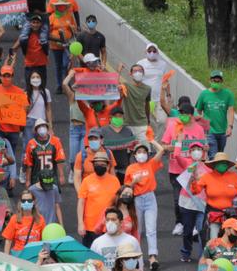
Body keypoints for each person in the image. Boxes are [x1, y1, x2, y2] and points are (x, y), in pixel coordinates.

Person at [161, 101, 207, 236]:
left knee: (195, 197)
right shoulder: (173, 127)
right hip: (176, 168)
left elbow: (202, 146)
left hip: (193, 169)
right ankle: (179, 222)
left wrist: (205, 150)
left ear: (191, 115)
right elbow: (163, 144)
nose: (182, 116)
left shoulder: (198, 129)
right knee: (177, 199)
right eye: (180, 114)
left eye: (185, 114)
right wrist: (170, 147)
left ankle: (193, 225)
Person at [190, 151, 237, 239]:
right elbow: (195, 191)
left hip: (231, 216)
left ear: (227, 165)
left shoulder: (234, 177)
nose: (222, 165)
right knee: (213, 240)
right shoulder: (207, 177)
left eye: (224, 163)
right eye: (219, 163)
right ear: (215, 165)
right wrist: (194, 181)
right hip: (213, 215)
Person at [124, 140, 165, 270]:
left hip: (150, 198)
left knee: (151, 229)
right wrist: (133, 182)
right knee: (137, 229)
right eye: (139, 152)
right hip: (137, 199)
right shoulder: (131, 168)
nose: (141, 154)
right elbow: (126, 187)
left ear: (147, 154)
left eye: (144, 152)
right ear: (135, 155)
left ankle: (153, 257)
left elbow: (162, 150)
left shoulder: (151, 164)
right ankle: (136, 256)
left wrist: (152, 140)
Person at [77, 151, 121, 247]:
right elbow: (81, 203)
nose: (99, 166)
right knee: (90, 255)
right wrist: (80, 223)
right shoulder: (86, 181)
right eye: (96, 164)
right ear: (93, 165)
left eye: (102, 164)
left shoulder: (115, 181)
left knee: (108, 253)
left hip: (109, 225)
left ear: (107, 165)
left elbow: (118, 204)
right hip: (90, 226)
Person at [196, 70, 235, 157]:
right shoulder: (204, 94)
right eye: (214, 81)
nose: (216, 83)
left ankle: (215, 170)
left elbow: (231, 111)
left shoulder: (228, 94)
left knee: (220, 156)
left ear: (222, 82)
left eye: (218, 81)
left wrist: (230, 126)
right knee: (213, 156)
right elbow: (198, 111)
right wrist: (202, 125)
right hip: (209, 131)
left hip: (222, 131)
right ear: (210, 80)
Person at [23, 119, 66, 187]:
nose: (41, 128)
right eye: (39, 126)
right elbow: (29, 164)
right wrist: (28, 180)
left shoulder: (55, 141)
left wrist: (61, 176)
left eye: (43, 126)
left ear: (47, 128)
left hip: (52, 178)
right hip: (37, 178)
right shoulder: (31, 144)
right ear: (36, 130)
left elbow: (59, 160)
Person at [135, 43, 169, 125]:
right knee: (147, 121)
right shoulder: (140, 63)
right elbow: (136, 80)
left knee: (162, 121)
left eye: (154, 51)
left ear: (157, 52)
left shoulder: (163, 64)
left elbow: (166, 80)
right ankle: (150, 137)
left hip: (160, 98)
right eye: (149, 51)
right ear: (145, 52)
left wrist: (168, 94)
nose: (152, 53)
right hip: (145, 98)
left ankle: (159, 138)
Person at [101, 107, 137, 182]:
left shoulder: (128, 131)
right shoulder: (103, 131)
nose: (118, 118)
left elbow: (133, 149)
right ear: (110, 118)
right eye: (115, 116)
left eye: (120, 116)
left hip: (124, 167)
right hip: (108, 168)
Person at [48, 0, 76, 93]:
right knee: (58, 65)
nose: (61, 7)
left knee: (66, 64)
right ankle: (59, 85)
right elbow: (48, 31)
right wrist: (56, 39)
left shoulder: (69, 16)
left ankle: (67, 84)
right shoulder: (52, 17)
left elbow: (75, 30)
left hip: (67, 45)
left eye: (62, 5)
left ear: (65, 6)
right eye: (59, 5)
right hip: (55, 46)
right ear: (56, 7)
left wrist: (72, 28)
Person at [13, 13, 49, 87]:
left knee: (42, 88)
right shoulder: (25, 36)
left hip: (41, 65)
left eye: (37, 23)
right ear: (30, 23)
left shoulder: (44, 35)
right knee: (29, 88)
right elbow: (17, 45)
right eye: (33, 22)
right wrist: (12, 50)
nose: (35, 25)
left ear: (41, 24)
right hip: (29, 66)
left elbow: (55, 38)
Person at [118, 63, 152, 141]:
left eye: (140, 71)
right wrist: (119, 71)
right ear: (131, 74)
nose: (138, 73)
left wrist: (148, 120)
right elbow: (115, 89)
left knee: (144, 147)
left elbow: (147, 105)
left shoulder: (148, 88)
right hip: (127, 123)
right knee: (128, 149)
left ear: (143, 73)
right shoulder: (125, 86)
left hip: (142, 123)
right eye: (135, 71)